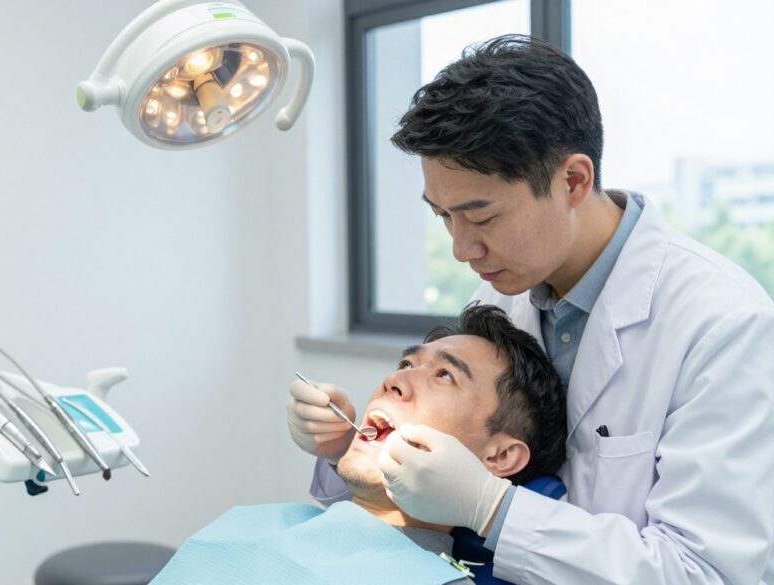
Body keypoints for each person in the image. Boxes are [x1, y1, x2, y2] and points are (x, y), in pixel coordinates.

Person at [288, 35, 774, 584]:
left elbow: (706, 573)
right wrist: (345, 451)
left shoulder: (721, 323)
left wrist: (495, 511)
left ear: (573, 180)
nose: (461, 249)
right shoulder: (498, 292)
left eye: (482, 217)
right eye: (443, 216)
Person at [152, 305, 565, 585]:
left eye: (444, 376)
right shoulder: (247, 523)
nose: (395, 380)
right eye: (406, 363)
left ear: (499, 456)